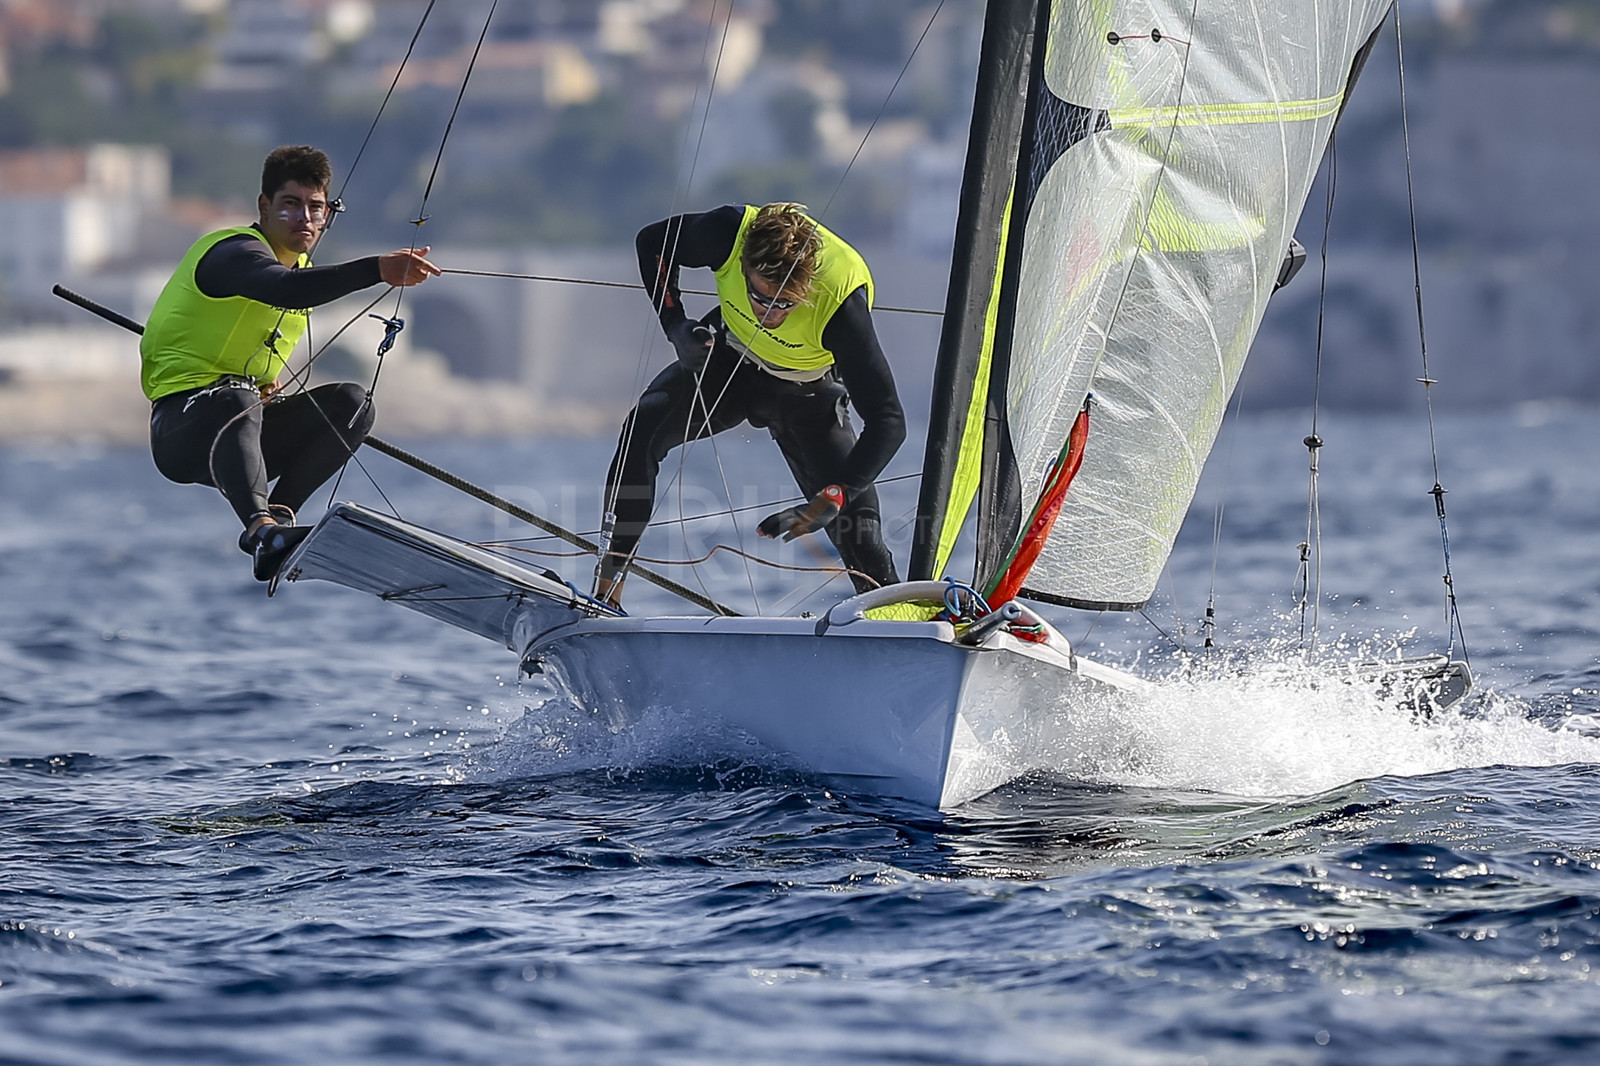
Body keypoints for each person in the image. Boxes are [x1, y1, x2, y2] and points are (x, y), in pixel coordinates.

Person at [140, 144, 439, 581]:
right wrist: (376, 268)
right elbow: (284, 288)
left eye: (316, 208)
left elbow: (282, 304)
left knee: (353, 403)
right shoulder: (232, 253)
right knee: (235, 396)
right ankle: (259, 530)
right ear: (264, 206)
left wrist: (264, 385)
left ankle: (279, 521)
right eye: (291, 204)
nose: (305, 218)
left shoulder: (300, 266)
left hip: (243, 432)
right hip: (180, 432)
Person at [597, 202, 906, 608]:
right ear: (743, 265)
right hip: (728, 362)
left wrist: (835, 494)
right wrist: (675, 325)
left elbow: (888, 421)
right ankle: (606, 593)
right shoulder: (726, 234)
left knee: (858, 532)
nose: (769, 313)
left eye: (785, 304)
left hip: (806, 394)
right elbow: (652, 242)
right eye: (760, 297)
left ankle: (897, 627)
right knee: (643, 426)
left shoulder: (841, 305)